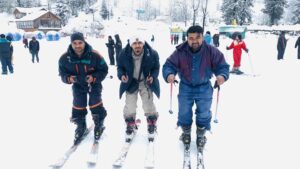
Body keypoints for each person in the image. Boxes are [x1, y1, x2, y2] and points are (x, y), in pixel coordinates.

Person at [162, 25, 229, 153]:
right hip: (185, 87)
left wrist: (222, 76)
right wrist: (169, 74)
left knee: (204, 112)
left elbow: (222, 66)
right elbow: (168, 65)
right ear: (187, 39)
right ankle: (186, 133)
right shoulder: (180, 51)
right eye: (191, 38)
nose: (194, 41)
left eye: (198, 37)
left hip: (204, 87)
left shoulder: (211, 51)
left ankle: (201, 135)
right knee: (184, 112)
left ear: (203, 37)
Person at [58, 32, 108, 145]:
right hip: (78, 85)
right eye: (74, 43)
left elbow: (104, 70)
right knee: (78, 104)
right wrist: (68, 78)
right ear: (71, 43)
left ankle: (99, 123)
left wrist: (94, 77)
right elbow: (62, 74)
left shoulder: (95, 55)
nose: (77, 46)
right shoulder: (65, 58)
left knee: (95, 103)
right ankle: (81, 125)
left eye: (80, 43)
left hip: (93, 83)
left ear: (84, 42)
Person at [117, 34, 160, 142]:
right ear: (131, 45)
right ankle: (130, 124)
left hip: (145, 82)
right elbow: (120, 67)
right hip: (131, 82)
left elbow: (156, 67)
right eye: (134, 43)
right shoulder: (123, 54)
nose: (137, 46)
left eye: (139, 43)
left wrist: (153, 76)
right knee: (130, 105)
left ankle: (152, 123)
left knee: (148, 104)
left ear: (143, 43)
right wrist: (121, 75)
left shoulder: (152, 54)